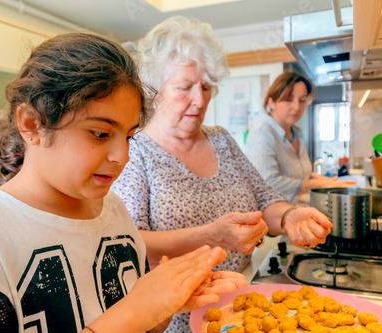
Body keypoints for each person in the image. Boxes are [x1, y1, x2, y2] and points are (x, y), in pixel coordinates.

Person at [0, 32, 247, 333]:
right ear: (31, 123)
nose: (122, 156)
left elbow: (134, 324)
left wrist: (160, 308)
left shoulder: (115, 213)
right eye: (100, 133)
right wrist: (132, 314)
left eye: (129, 136)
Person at [111, 16, 333, 333]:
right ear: (155, 90)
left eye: (205, 86)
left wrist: (289, 218)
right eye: (184, 87)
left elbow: (264, 198)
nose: (199, 100)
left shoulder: (221, 140)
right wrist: (211, 236)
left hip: (238, 307)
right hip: (176, 319)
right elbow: (131, 243)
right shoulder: (137, 152)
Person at [245, 72, 356, 203]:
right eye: (288, 100)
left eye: (302, 100)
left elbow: (303, 175)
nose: (297, 107)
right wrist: (321, 185)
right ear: (272, 102)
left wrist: (331, 182)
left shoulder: (296, 132)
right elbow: (269, 182)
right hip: (276, 218)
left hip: (299, 210)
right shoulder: (262, 134)